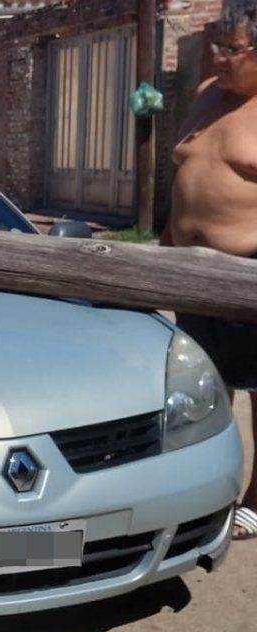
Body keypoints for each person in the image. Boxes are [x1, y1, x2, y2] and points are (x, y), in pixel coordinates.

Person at [165, 0, 257, 539]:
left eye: (232, 49)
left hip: (246, 275)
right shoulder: (204, 98)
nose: (218, 58)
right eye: (216, 46)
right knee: (203, 391)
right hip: (187, 274)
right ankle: (206, 491)